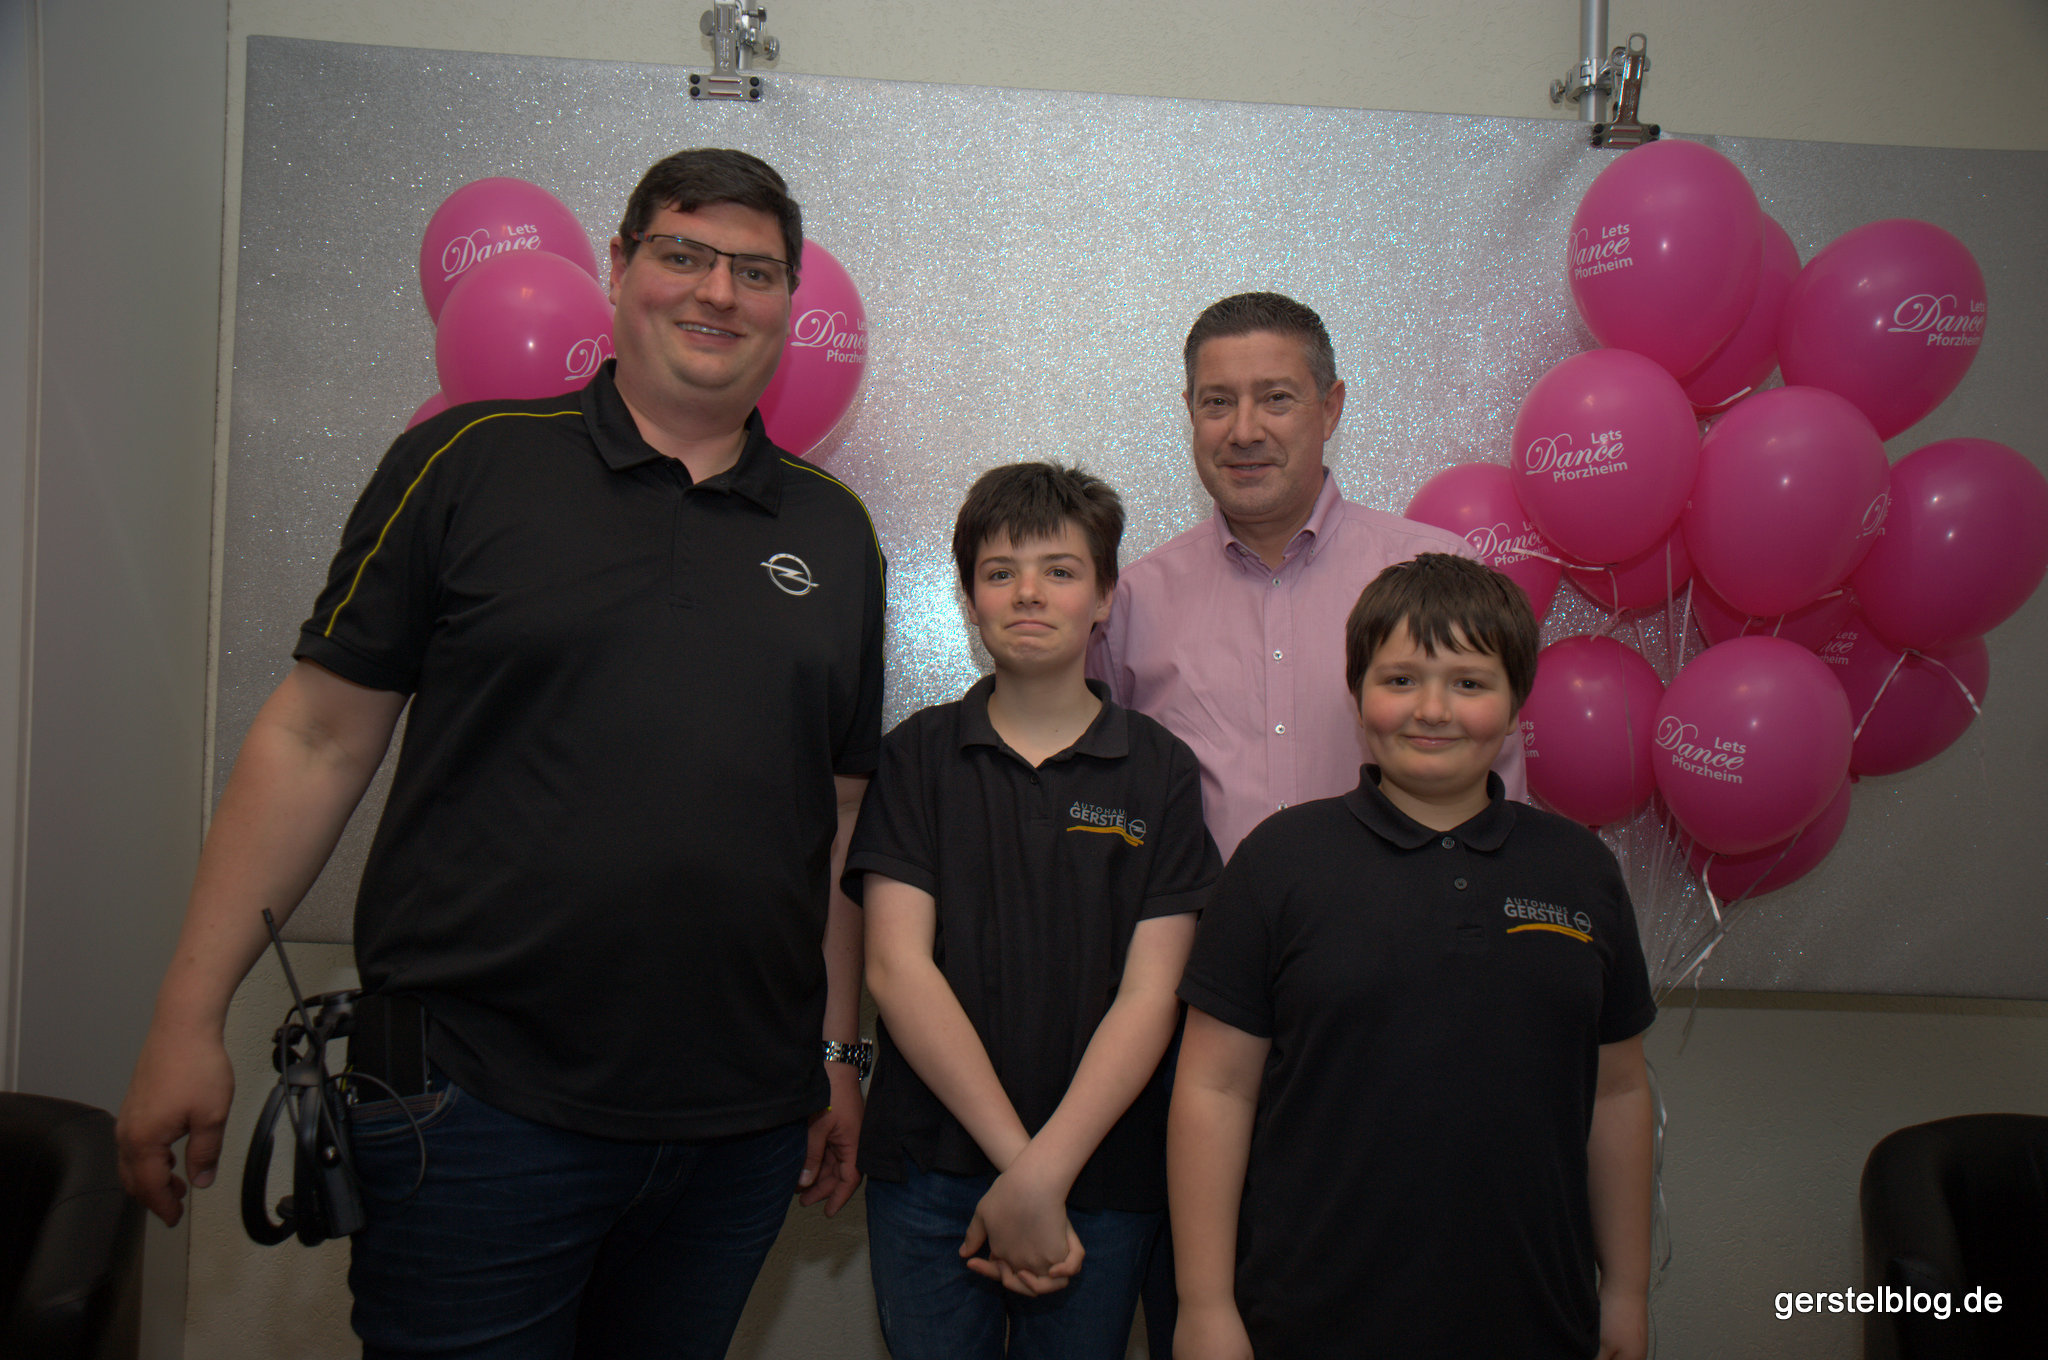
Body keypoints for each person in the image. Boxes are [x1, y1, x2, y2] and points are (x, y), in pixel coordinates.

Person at [114, 148, 886, 1358]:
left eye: (753, 270)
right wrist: (185, 1015)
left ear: (789, 300)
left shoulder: (835, 534)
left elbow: (834, 820)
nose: (716, 292)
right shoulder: (466, 462)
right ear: (619, 266)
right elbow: (314, 739)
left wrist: (835, 1052)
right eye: (682, 253)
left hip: (736, 1132)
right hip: (476, 1112)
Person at [1169, 552, 1655, 1360]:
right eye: (1400, 680)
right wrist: (1204, 1303)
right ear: (1357, 693)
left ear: (1516, 703)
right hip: (1308, 1320)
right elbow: (1214, 1090)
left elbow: (1619, 1092)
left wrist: (1627, 1290)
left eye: (1469, 682)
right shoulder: (1279, 860)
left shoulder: (1580, 870)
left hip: (1537, 1317)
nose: (1432, 710)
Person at [846, 463, 1221, 1359]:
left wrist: (1048, 1173)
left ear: (1104, 597)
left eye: (1060, 570)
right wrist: (1025, 1170)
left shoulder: (1161, 770)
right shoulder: (918, 757)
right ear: (969, 597)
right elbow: (897, 969)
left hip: (1103, 1177)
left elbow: (1152, 996)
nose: (1028, 593)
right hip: (929, 1171)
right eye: (999, 571)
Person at [1088, 290, 1527, 864]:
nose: (1244, 431)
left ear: (1330, 408)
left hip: (1402, 919)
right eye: (1218, 402)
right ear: (1190, 411)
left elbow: (1498, 805)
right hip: (1203, 921)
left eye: (1276, 398)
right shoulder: (1130, 602)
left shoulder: (1439, 574)